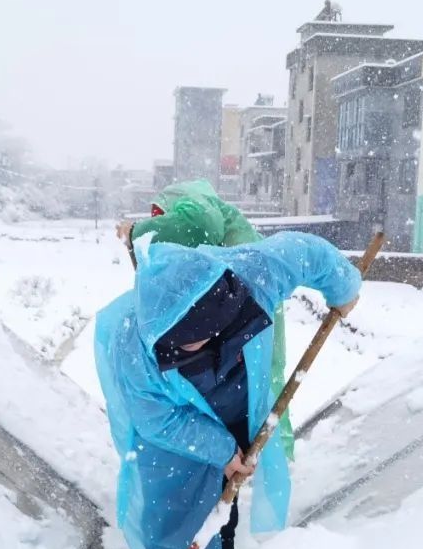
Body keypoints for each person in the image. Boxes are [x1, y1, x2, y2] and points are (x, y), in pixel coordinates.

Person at [94, 230, 361, 549]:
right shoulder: (135, 355)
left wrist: (344, 289)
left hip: (235, 400)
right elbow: (161, 423)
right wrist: (219, 450)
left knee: (224, 515)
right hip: (173, 431)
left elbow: (307, 252)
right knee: (176, 521)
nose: (216, 335)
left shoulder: (248, 276)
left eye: (222, 326)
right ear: (173, 341)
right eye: (201, 338)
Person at [115, 179, 296, 464]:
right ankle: (268, 456)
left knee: (258, 383)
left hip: (246, 298)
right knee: (259, 380)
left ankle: (269, 458)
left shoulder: (190, 198)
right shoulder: (220, 222)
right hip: (244, 299)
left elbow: (199, 224)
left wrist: (136, 232)